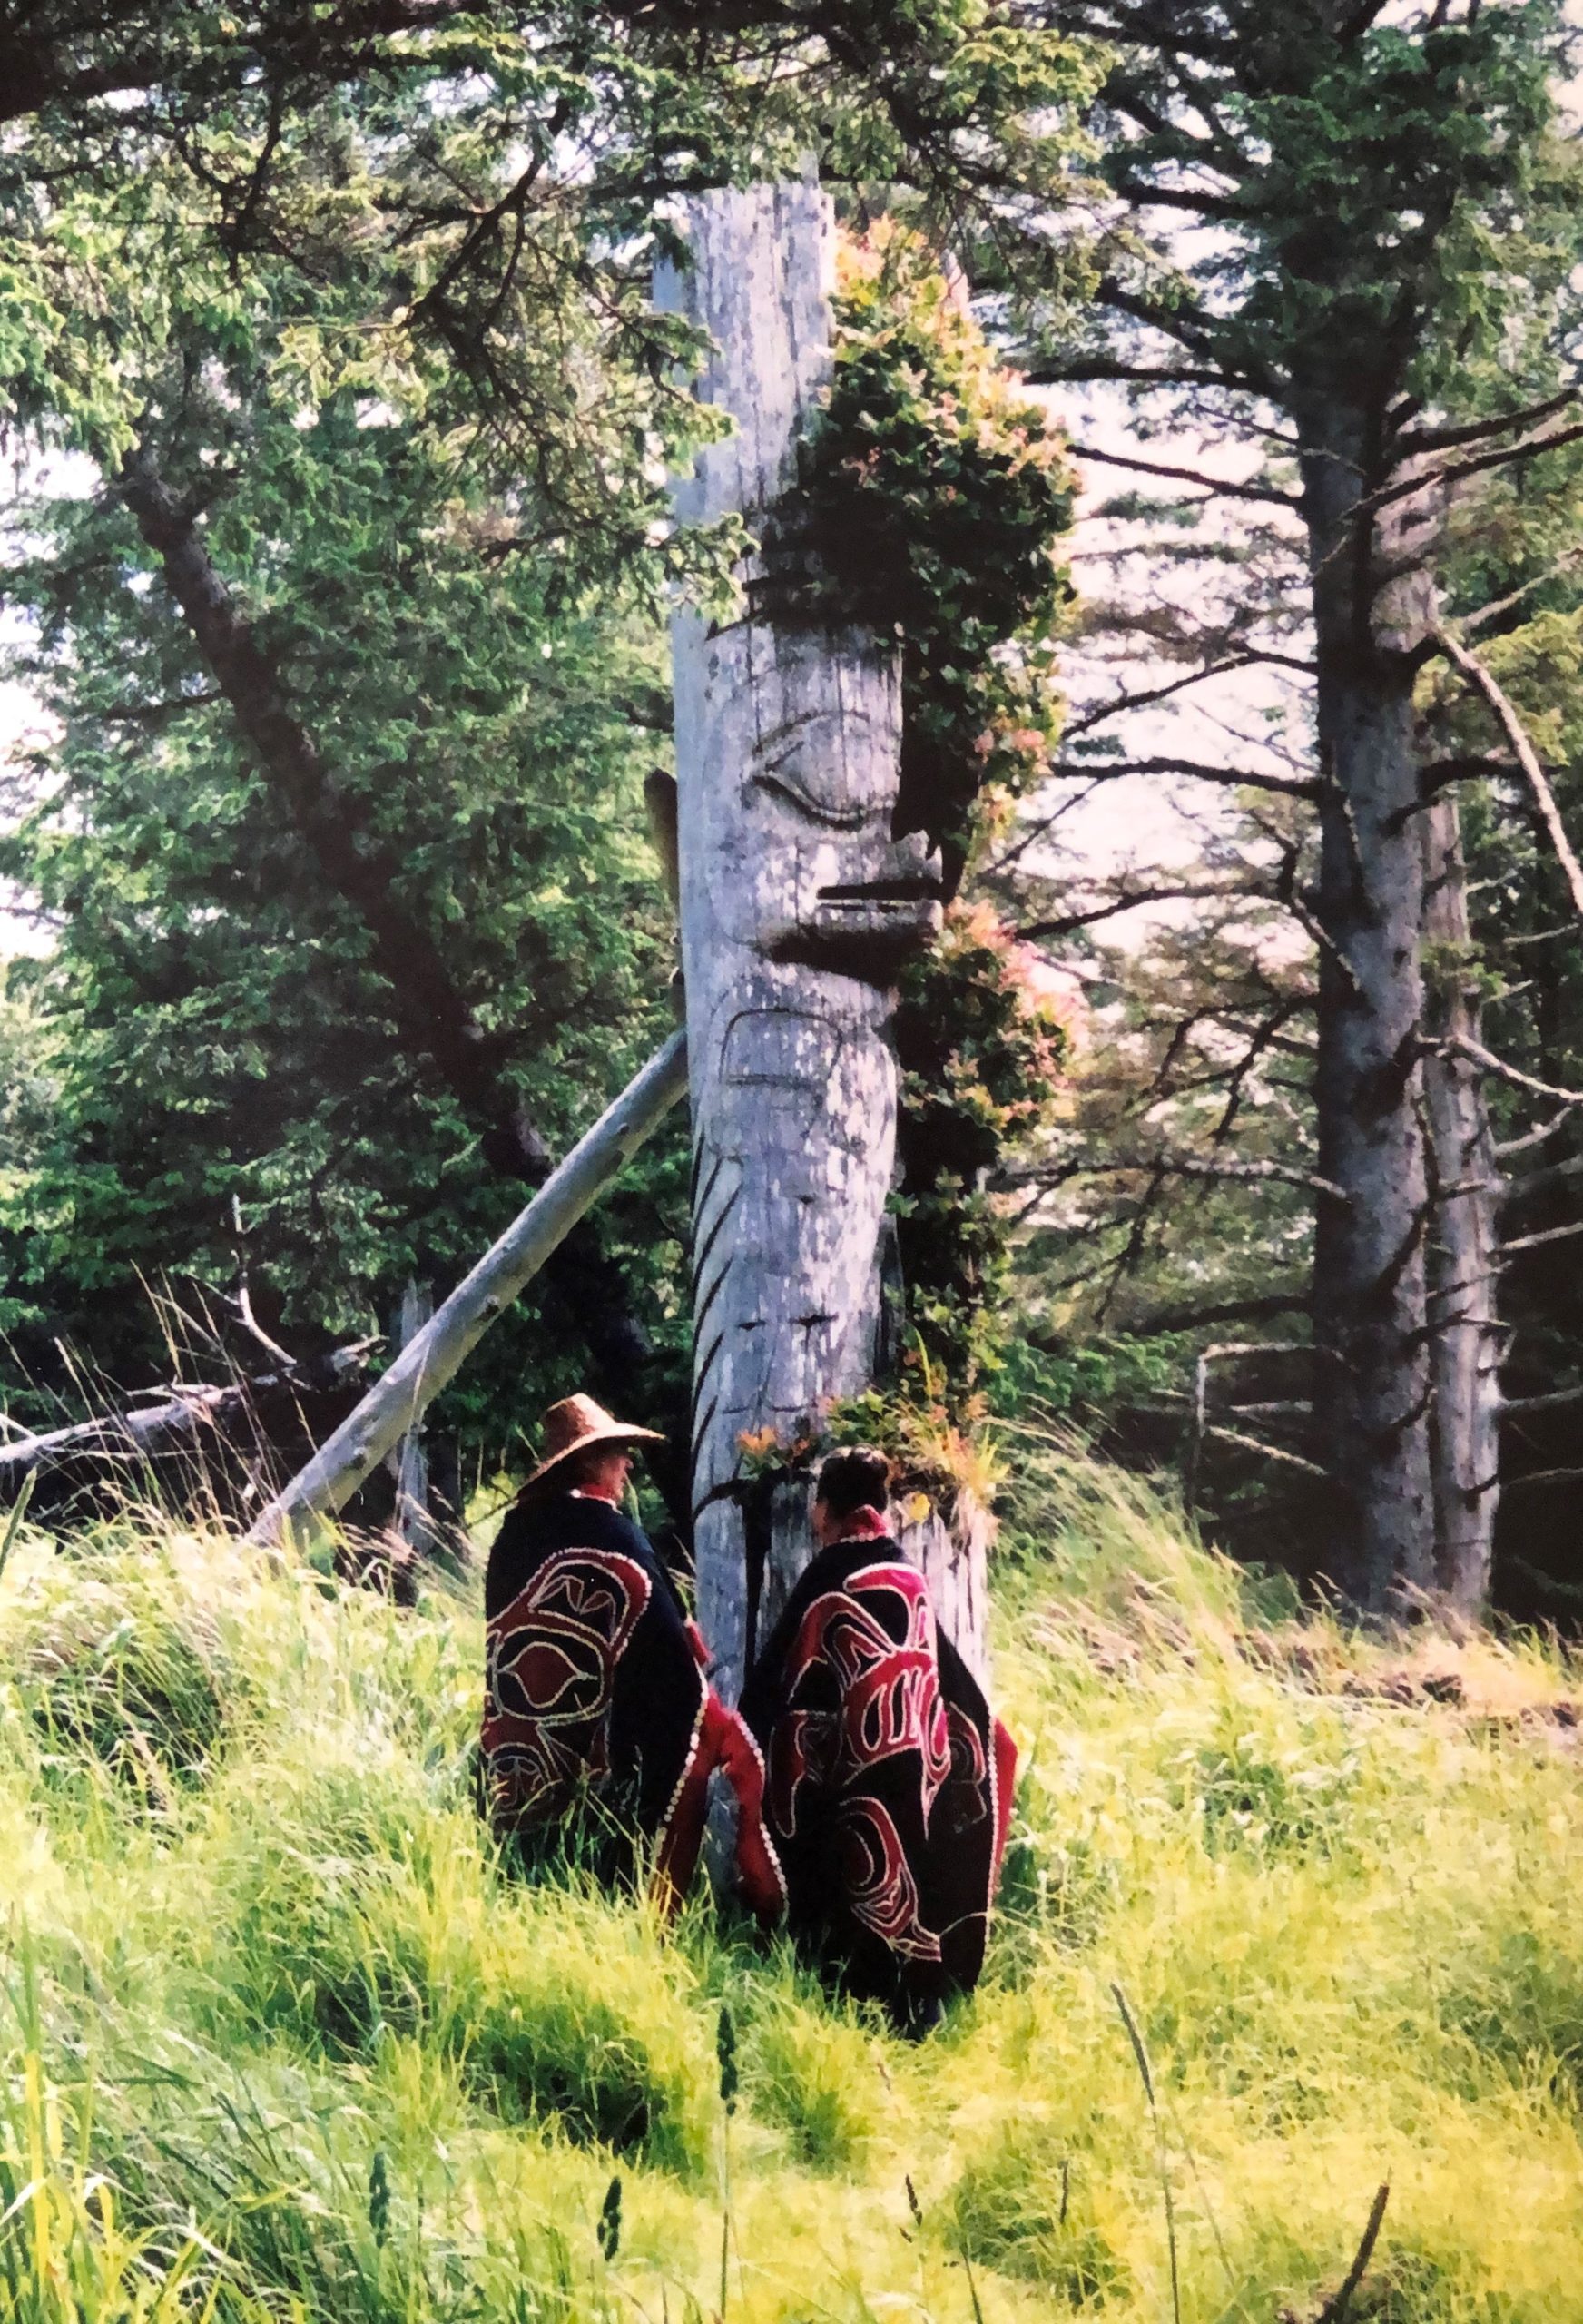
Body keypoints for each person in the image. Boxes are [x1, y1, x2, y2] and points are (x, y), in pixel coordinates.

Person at [740, 1445, 1017, 2032]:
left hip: (850, 1784)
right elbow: (956, 1690)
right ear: (881, 1507)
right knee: (903, 1885)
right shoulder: (908, 1577)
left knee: (844, 1881)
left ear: (824, 1511)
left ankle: (844, 2003)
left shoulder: (825, 1577)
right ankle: (914, 2004)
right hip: (911, 1782)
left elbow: (770, 1694)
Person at [480, 1393, 783, 1916]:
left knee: (533, 1873)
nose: (627, 1464)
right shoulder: (617, 1534)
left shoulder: (512, 1537)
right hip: (601, 1744)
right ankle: (641, 1924)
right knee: (669, 1761)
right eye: (618, 1452)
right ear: (591, 1462)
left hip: (524, 1744)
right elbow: (668, 1658)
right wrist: (713, 1719)